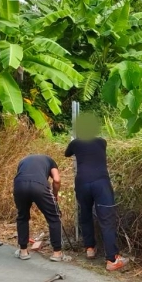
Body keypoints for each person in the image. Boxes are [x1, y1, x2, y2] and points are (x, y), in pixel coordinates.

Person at [65, 112, 127, 271]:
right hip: (101, 183)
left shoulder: (75, 143)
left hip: (82, 183)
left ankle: (90, 249)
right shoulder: (101, 141)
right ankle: (112, 259)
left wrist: (73, 141)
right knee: (106, 219)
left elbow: (67, 153)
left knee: (85, 215)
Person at [12, 153, 71, 262]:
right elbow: (57, 180)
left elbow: (21, 174)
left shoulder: (23, 160)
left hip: (19, 185)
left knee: (22, 217)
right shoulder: (50, 161)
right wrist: (54, 194)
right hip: (39, 185)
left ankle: (23, 251)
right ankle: (57, 253)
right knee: (54, 217)